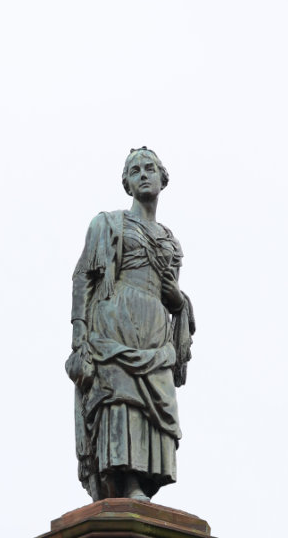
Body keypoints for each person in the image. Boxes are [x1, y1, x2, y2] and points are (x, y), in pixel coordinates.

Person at [66, 147, 195, 501]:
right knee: (120, 398)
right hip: (115, 323)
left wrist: (178, 299)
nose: (143, 174)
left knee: (157, 404)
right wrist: (80, 337)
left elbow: (175, 298)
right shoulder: (108, 224)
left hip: (154, 329)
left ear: (162, 178)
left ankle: (144, 479)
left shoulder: (171, 241)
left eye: (150, 168)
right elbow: (83, 278)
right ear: (126, 183)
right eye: (135, 170)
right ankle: (125, 481)